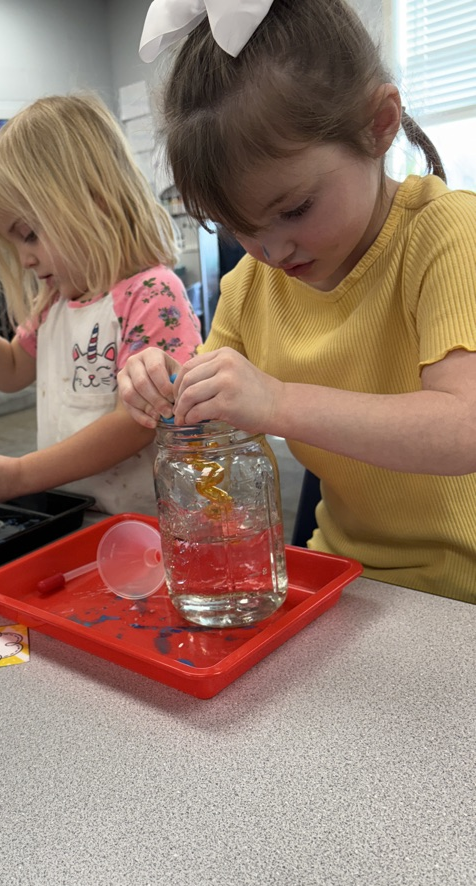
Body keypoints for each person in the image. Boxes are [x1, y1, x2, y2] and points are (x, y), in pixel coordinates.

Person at [119, 0, 476, 603]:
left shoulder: (447, 235)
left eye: (294, 209)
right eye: (237, 227)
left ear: (379, 123)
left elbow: (464, 426)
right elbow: (212, 417)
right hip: (347, 577)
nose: (271, 249)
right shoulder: (252, 285)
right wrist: (166, 384)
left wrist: (278, 401)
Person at [0, 93, 202, 516]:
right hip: (76, 515)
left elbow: (137, 422)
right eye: (15, 244)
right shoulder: (55, 302)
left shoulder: (151, 294)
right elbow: (11, 371)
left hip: (148, 524)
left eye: (29, 234)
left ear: (94, 203)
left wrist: (20, 475)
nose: (25, 259)